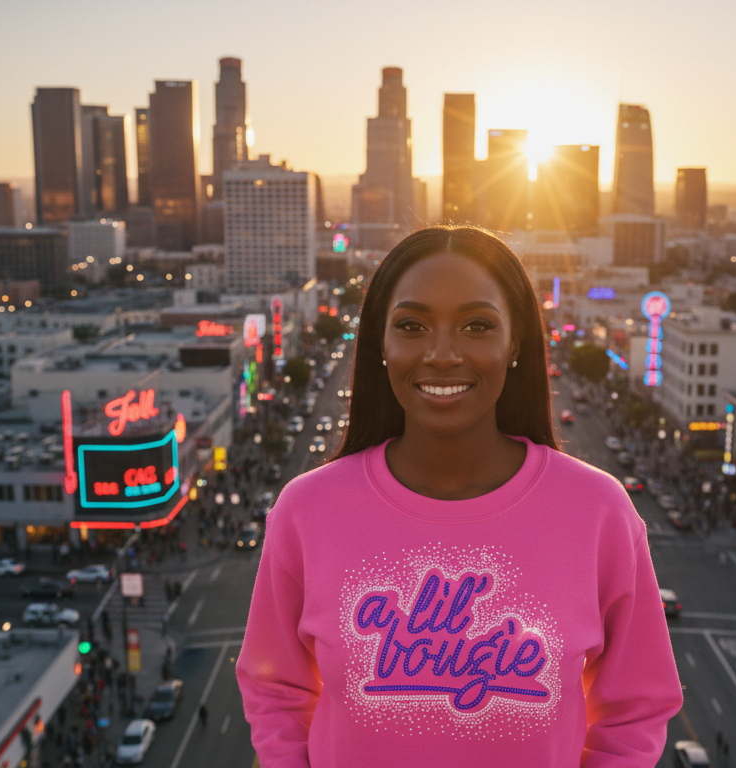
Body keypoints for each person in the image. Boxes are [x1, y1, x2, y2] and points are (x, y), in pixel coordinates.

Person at [236, 226, 683, 767]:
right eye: (412, 325)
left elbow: (635, 709)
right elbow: (275, 690)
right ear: (380, 342)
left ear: (514, 342)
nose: (442, 354)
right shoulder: (306, 512)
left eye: (476, 325)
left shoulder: (600, 513)